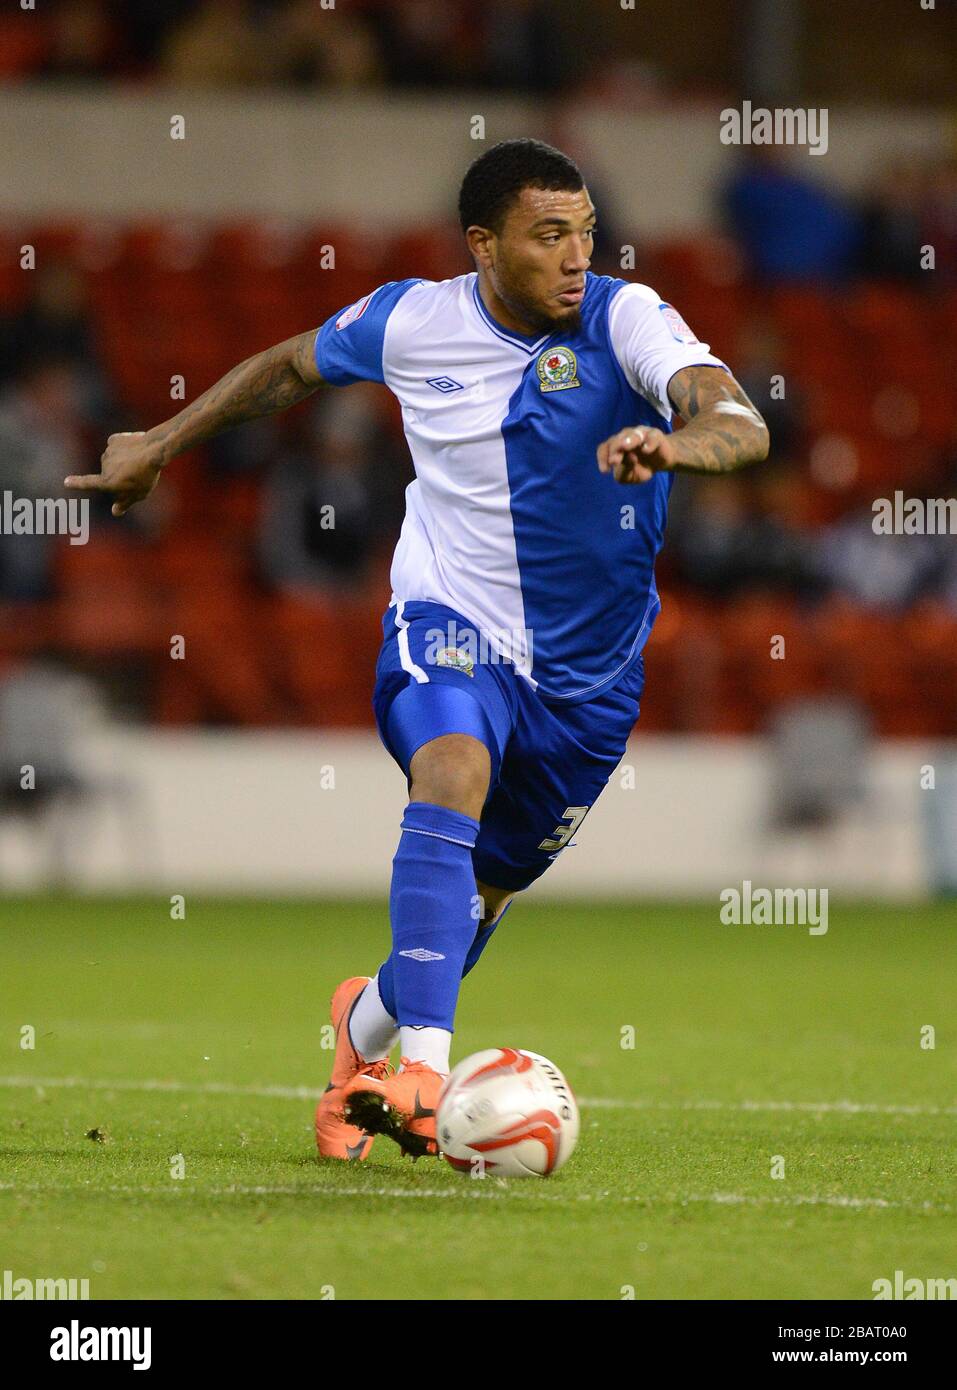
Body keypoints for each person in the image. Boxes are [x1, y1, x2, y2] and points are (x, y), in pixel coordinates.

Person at [65, 139, 769, 1162]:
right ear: (483, 245)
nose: (578, 256)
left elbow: (733, 414)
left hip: (590, 682)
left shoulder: (628, 319)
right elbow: (289, 368)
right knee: (453, 768)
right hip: (449, 617)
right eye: (548, 235)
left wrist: (679, 444)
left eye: (585, 233)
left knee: (480, 897)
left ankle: (365, 1031)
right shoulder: (413, 319)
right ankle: (425, 1078)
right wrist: (160, 444)